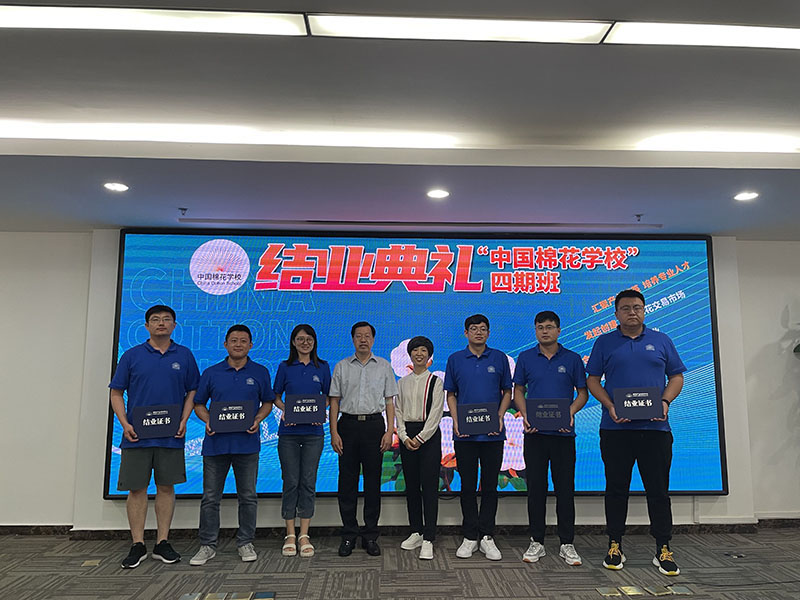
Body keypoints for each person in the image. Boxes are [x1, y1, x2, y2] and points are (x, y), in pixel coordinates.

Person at [586, 289, 686, 576]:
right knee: (616, 489)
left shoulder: (661, 340)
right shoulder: (604, 342)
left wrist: (665, 402)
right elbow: (593, 379)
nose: (632, 312)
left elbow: (676, 376)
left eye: (637, 307)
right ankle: (614, 544)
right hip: (616, 429)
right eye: (626, 308)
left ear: (644, 310)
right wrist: (609, 405)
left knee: (658, 491)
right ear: (616, 313)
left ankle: (663, 547)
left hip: (655, 430)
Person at [109, 304, 199, 569]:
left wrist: (184, 420)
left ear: (174, 325)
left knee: (166, 487)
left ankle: (162, 542)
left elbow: (193, 391)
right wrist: (124, 423)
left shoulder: (184, 355)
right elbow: (116, 392)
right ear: (146, 325)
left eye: (167, 319)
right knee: (137, 488)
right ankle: (137, 544)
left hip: (171, 434)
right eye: (156, 319)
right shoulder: (132, 355)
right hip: (137, 435)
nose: (161, 323)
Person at [189, 325, 274, 566]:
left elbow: (267, 403)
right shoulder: (211, 373)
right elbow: (199, 404)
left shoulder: (260, 372)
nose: (238, 344)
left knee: (248, 497)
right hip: (215, 445)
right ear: (225, 344)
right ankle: (207, 545)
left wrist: (257, 419)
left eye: (243, 341)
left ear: (251, 345)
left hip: (247, 445)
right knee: (210, 497)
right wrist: (208, 420)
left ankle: (245, 542)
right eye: (234, 340)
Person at [513, 310, 588, 566]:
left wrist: (570, 412)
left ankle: (567, 543)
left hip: (563, 435)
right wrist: (525, 414)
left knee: (565, 489)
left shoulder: (573, 358)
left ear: (558, 330)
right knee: (536, 489)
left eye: (549, 327)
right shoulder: (526, 358)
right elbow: (518, 390)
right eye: (540, 327)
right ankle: (537, 541)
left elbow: (582, 393)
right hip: (534, 434)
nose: (545, 331)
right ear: (535, 331)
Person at [445, 314, 512, 561]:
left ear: (489, 333)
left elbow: (507, 391)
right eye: (473, 329)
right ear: (466, 333)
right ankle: (470, 535)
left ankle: (487, 536)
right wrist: (456, 420)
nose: (479, 332)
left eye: (483, 329)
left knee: (490, 486)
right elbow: (451, 394)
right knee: (467, 486)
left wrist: (500, 416)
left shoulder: (499, 358)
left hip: (493, 434)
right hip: (465, 435)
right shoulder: (455, 359)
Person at [329, 321, 398, 557]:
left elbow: (390, 401)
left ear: (373, 339)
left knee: (372, 483)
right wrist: (334, 432)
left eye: (367, 336)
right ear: (352, 339)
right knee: (346, 483)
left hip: (374, 426)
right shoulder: (341, 366)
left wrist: (389, 431)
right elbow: (334, 401)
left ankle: (370, 536)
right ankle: (348, 534)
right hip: (347, 426)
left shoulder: (384, 366)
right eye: (358, 336)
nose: (363, 340)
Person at [272, 324, 331, 558]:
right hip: (288, 433)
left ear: (314, 342)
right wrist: (285, 409)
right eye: (300, 339)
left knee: (308, 481)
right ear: (293, 342)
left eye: (309, 339)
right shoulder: (285, 367)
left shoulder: (322, 367)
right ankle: (289, 533)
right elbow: (276, 396)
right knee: (290, 481)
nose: (305, 343)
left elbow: (329, 396)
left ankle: (304, 534)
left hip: (314, 433)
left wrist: (321, 410)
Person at [395, 336, 445, 560]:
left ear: (429, 355)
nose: (419, 354)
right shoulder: (402, 383)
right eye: (415, 350)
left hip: (429, 437)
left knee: (430, 487)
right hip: (407, 437)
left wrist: (421, 438)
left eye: (423, 350)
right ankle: (415, 531)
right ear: (410, 354)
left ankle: (429, 538)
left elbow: (436, 413)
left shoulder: (436, 381)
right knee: (412, 486)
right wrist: (404, 436)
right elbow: (398, 411)